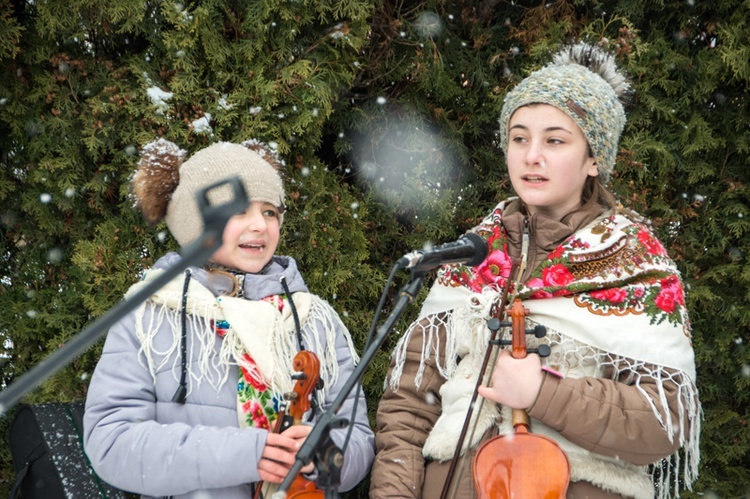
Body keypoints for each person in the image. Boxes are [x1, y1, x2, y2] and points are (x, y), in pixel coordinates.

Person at [370, 42, 700, 499]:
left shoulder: (636, 263)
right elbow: (408, 405)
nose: (531, 155)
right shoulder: (473, 252)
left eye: (555, 140)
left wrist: (542, 393)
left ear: (594, 159)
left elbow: (664, 419)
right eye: (519, 138)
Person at [83, 139, 374, 498]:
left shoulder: (314, 320)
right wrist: (247, 454)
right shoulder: (150, 316)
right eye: (239, 212)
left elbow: (358, 438)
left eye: (270, 212)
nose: (260, 226)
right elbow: (112, 442)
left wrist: (326, 457)